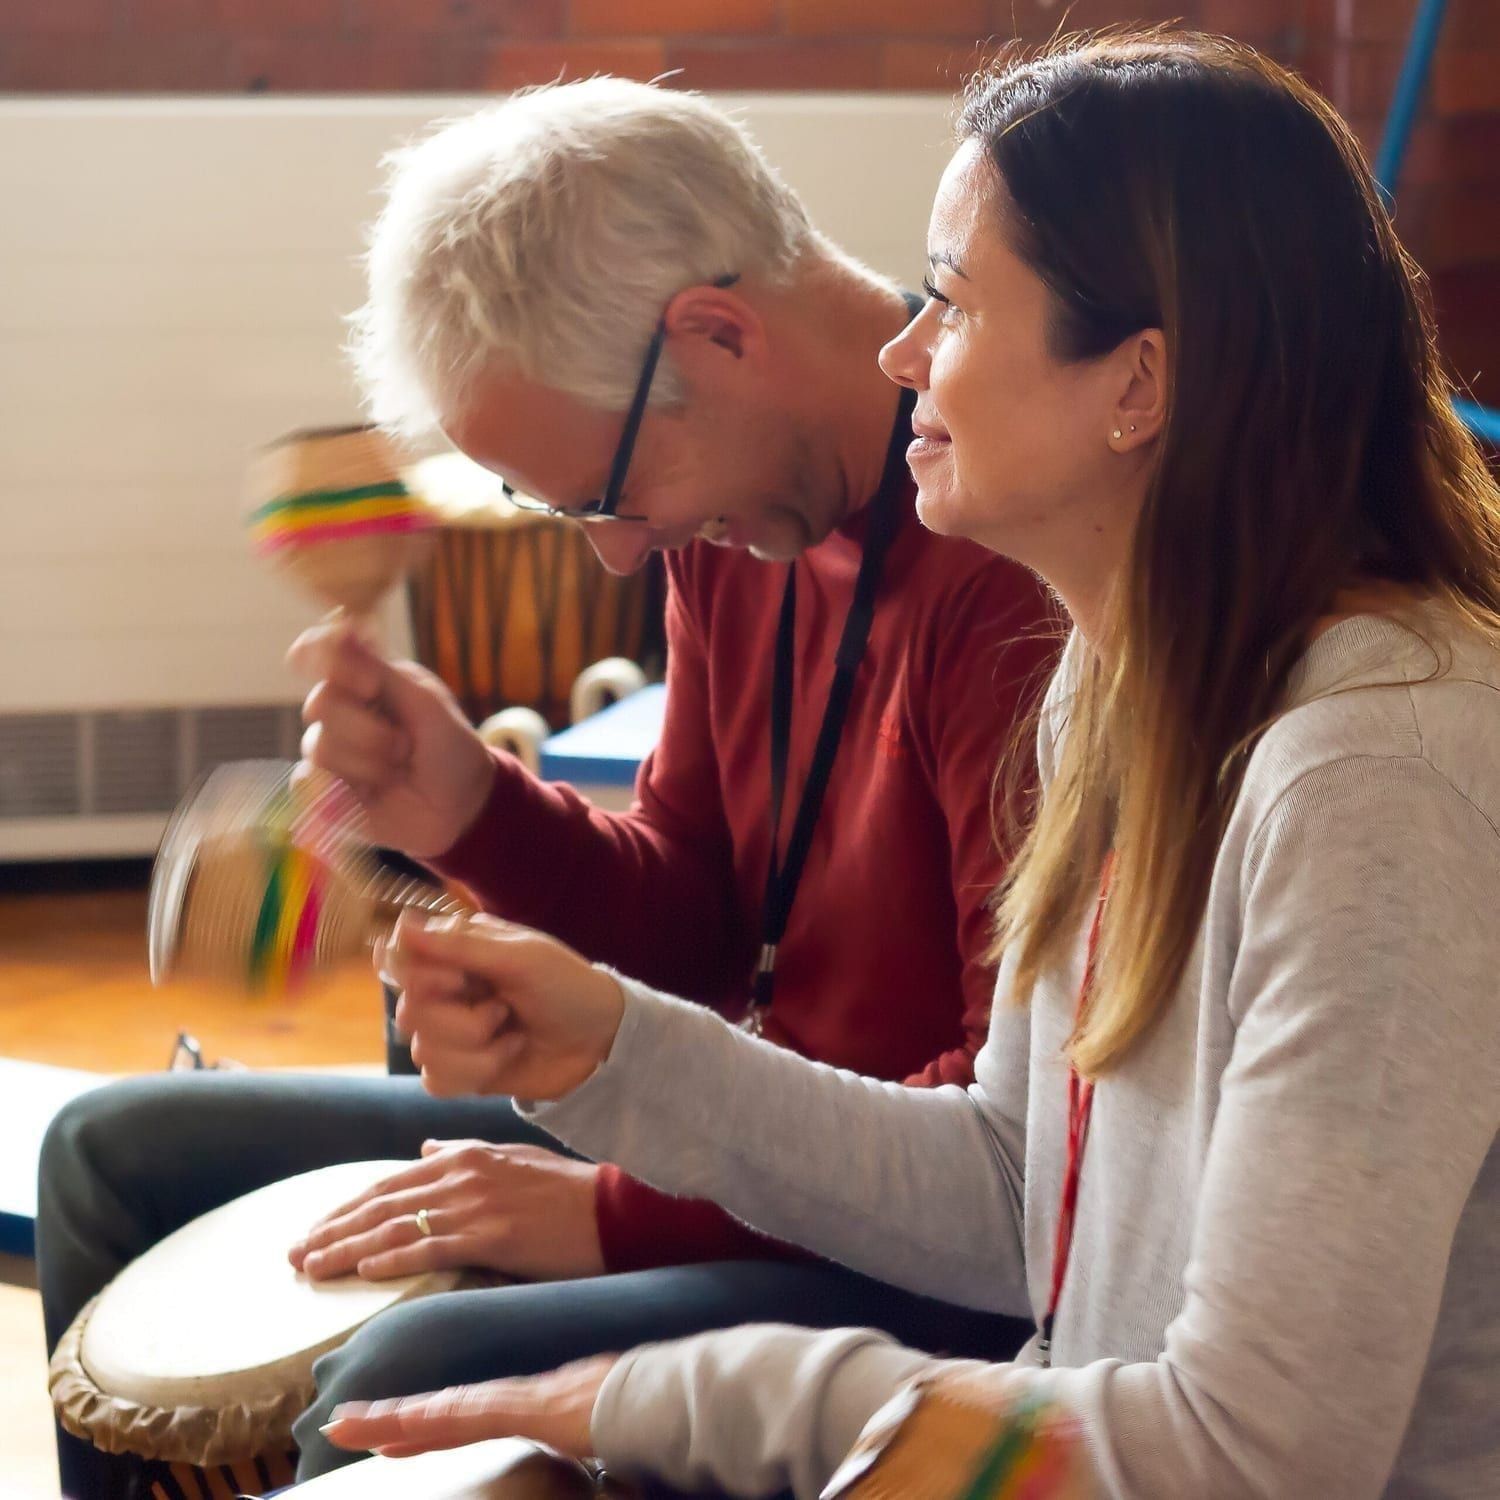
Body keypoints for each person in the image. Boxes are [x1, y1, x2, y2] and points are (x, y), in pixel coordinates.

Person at [321, 32, 1500, 1500]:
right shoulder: (1120, 685)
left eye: (949, 302)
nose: (898, 350)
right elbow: (1015, 1189)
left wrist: (701, 1393)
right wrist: (623, 1049)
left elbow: (1260, 1453)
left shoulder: (1375, 780)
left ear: (1138, 385)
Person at [36, 79, 1054, 1494]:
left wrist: (615, 1212)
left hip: (909, 1244)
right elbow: (699, 917)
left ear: (717, 333)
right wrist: (471, 810)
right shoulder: (732, 512)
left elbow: (1014, 1155)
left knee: (394, 1381)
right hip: (726, 1143)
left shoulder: (1011, 569)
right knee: (111, 1153)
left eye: (609, 495)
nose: (624, 558)